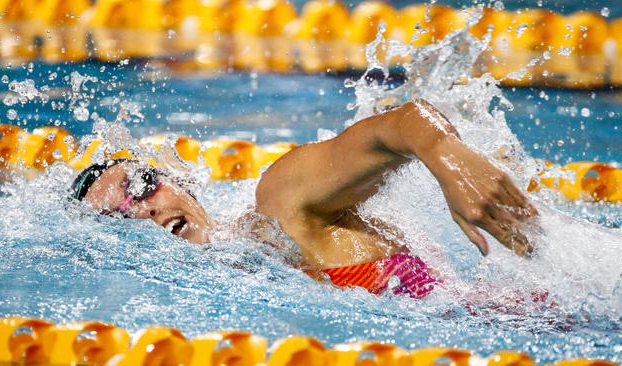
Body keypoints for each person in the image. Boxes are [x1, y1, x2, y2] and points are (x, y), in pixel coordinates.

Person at [71, 99, 537, 298]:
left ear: (178, 181)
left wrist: (449, 160)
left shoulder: (279, 204)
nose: (145, 210)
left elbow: (403, 123)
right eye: (120, 218)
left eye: (140, 187)